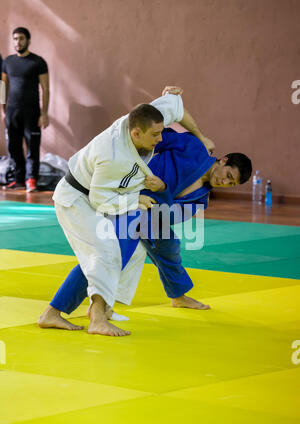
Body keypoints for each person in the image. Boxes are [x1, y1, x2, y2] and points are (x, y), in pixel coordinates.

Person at [38, 126, 252, 333]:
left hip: (151, 213)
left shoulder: (201, 199)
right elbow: (156, 138)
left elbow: (172, 216)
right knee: (111, 254)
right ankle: (56, 310)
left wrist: (163, 190)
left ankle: (177, 295)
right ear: (223, 160)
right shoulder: (192, 146)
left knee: (169, 244)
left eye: (230, 184)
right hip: (129, 199)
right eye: (228, 175)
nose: (224, 182)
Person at [41, 88, 215, 337]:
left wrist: (200, 135)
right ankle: (89, 317)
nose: (161, 138)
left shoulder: (147, 119)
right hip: (78, 200)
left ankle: (99, 308)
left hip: (107, 195)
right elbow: (100, 200)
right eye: (155, 134)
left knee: (130, 249)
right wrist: (137, 199)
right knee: (105, 251)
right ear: (136, 133)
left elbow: (176, 105)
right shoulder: (113, 156)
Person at [1, 27, 49, 192]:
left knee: (32, 147)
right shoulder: (7, 62)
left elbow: (46, 88)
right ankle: (18, 179)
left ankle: (31, 180)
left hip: (32, 111)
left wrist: (44, 113)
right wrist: (3, 109)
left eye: (21, 38)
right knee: (13, 147)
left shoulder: (38, 62)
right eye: (15, 39)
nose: (18, 42)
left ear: (28, 40)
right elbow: (3, 86)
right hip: (12, 111)